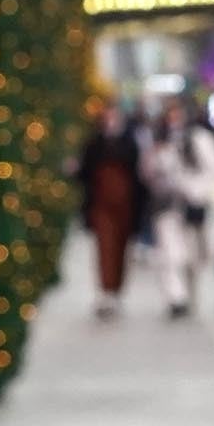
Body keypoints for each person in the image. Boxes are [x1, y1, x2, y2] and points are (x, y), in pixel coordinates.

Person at [142, 97, 214, 317]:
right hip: (167, 207)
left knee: (192, 257)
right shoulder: (157, 141)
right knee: (171, 256)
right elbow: (147, 173)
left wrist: (196, 192)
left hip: (193, 208)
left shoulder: (199, 139)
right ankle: (175, 298)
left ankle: (189, 294)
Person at [75, 101, 146, 319]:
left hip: (125, 206)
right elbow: (85, 172)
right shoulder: (94, 143)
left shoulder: (129, 143)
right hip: (101, 205)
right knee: (105, 247)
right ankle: (106, 291)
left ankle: (116, 290)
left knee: (121, 249)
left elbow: (138, 176)